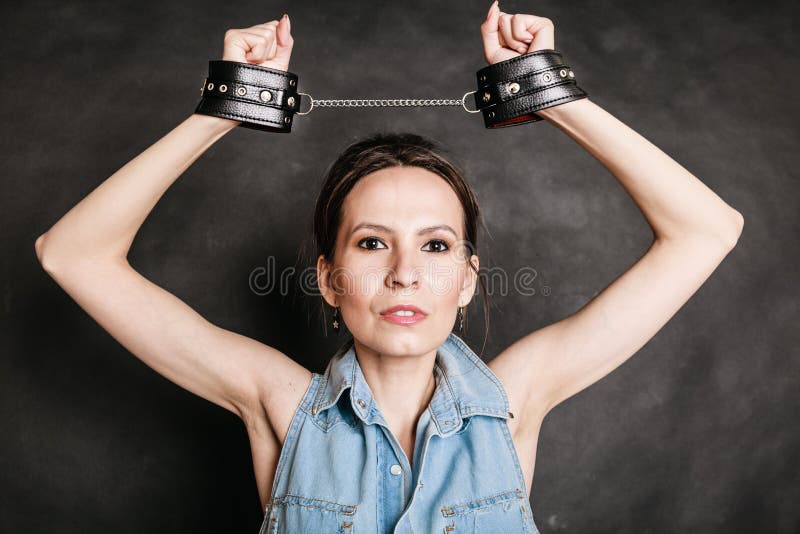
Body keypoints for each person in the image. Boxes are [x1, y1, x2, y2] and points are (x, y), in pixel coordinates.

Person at [34, 2, 744, 533]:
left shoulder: (514, 401)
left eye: (436, 246)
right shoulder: (279, 404)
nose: (405, 273)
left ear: (466, 279)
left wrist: (548, 92)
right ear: (327, 278)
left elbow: (707, 230)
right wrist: (228, 105)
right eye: (372, 243)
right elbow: (71, 254)